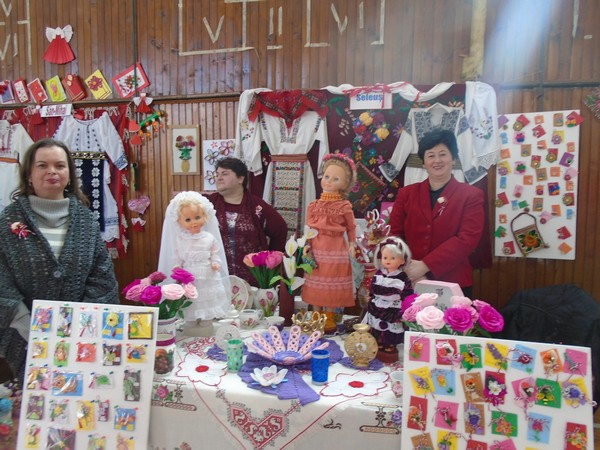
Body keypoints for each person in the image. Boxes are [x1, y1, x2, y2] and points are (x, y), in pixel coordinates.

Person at [0, 138, 119, 381]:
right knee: (37, 395)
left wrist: (81, 327)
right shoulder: (9, 221)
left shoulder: (86, 221)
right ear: (29, 174)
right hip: (24, 336)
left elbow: (102, 278)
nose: (52, 171)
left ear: (69, 174)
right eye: (42, 165)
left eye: (60, 165)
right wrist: (27, 325)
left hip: (81, 338)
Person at [388, 129, 484, 298]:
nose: (437, 160)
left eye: (443, 154)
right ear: (423, 162)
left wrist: (425, 265)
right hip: (410, 278)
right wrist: (408, 267)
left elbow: (467, 239)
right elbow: (394, 236)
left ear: (453, 158)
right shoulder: (406, 194)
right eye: (431, 155)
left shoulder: (471, 195)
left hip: (453, 282)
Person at [207, 157, 288, 287]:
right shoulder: (208, 204)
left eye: (225, 174)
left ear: (241, 178)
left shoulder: (257, 207)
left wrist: (269, 260)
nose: (219, 178)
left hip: (252, 281)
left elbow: (280, 229)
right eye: (217, 174)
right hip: (216, 277)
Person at [158, 191, 230, 335]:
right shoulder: (181, 239)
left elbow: (215, 253)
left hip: (207, 274)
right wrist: (177, 266)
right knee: (191, 299)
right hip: (189, 276)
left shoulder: (209, 238)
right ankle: (191, 321)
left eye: (197, 217)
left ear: (204, 216)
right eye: (188, 219)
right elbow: (177, 255)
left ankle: (206, 320)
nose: (194, 222)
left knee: (207, 296)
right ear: (179, 222)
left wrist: (215, 262)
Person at [302, 153, 357, 333]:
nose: (329, 182)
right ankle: (316, 314)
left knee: (332, 283)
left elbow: (351, 227)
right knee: (316, 282)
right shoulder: (313, 206)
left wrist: (352, 243)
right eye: (326, 176)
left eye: (335, 179)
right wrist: (307, 245)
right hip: (317, 249)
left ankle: (330, 316)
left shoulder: (344, 206)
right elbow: (309, 228)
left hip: (336, 250)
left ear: (345, 184)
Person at [361, 237, 414, 363]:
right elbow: (373, 287)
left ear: (402, 260)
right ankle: (378, 343)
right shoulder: (379, 274)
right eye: (385, 258)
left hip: (393, 307)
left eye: (392, 258)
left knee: (390, 326)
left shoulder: (402, 277)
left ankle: (390, 345)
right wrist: (371, 296)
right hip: (377, 305)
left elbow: (407, 293)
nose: (388, 261)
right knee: (376, 325)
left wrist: (406, 307)